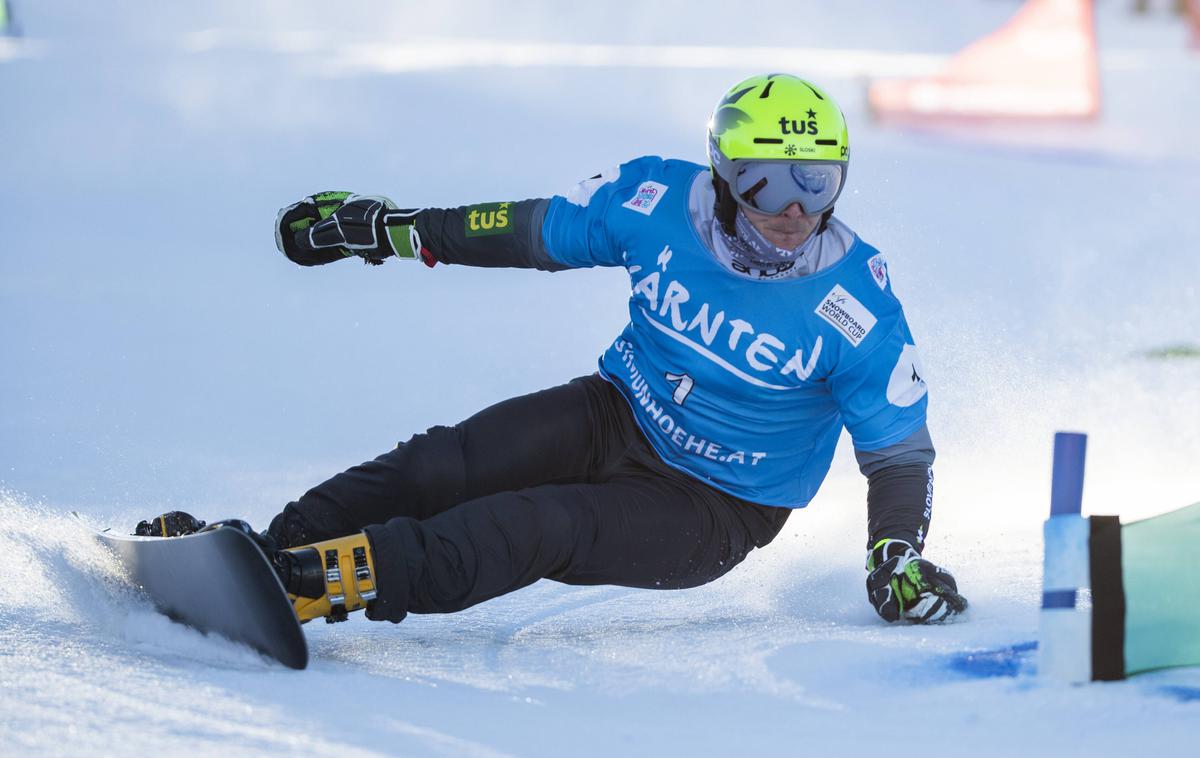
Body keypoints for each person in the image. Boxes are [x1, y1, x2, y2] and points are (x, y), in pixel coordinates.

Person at [146, 73, 966, 627]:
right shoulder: (654, 202)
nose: (792, 210)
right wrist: (392, 231)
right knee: (444, 463)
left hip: (716, 506)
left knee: (534, 525)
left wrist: (894, 556)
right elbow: (531, 230)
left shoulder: (854, 302)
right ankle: (267, 546)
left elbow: (898, 448)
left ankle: (315, 588)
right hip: (616, 411)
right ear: (721, 172)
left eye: (816, 183)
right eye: (765, 181)